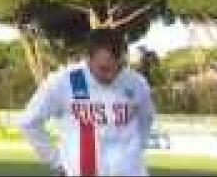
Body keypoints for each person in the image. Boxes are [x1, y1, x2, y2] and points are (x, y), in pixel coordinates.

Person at [19, 29, 157, 176]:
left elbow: (146, 120)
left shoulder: (137, 83)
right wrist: (56, 162)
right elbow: (29, 122)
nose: (112, 75)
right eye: (104, 69)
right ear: (88, 58)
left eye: (119, 67)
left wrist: (132, 155)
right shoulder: (63, 81)